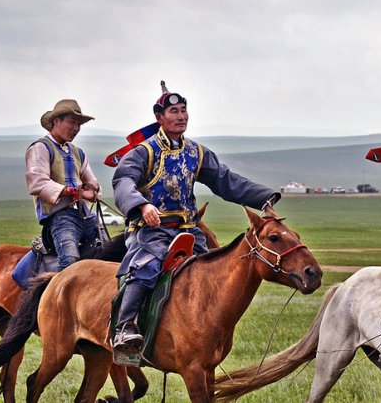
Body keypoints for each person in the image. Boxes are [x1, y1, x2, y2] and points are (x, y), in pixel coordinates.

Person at [111, 81, 280, 357]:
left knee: (216, 270)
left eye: (183, 111)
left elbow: (225, 181)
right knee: (146, 267)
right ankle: (125, 328)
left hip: (190, 231)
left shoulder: (196, 153)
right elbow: (123, 181)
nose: (180, 116)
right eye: (174, 111)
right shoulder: (144, 152)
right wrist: (141, 206)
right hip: (153, 231)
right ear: (159, 118)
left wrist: (265, 198)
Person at [25, 99, 102, 272]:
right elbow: (38, 183)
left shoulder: (78, 152)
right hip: (60, 216)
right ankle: (57, 297)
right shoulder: (40, 148)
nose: (76, 128)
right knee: (69, 260)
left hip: (84, 215)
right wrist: (76, 193)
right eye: (72, 122)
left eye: (79, 124)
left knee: (108, 249)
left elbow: (91, 180)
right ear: (56, 121)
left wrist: (93, 188)